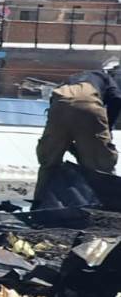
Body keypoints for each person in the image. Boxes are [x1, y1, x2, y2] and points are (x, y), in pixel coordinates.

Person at [34, 61, 121, 203]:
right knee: (101, 163)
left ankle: (39, 204)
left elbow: (59, 105)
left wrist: (63, 141)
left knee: (49, 161)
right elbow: (117, 99)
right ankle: (110, 204)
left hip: (59, 102)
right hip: (88, 102)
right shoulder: (105, 78)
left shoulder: (73, 78)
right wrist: (107, 128)